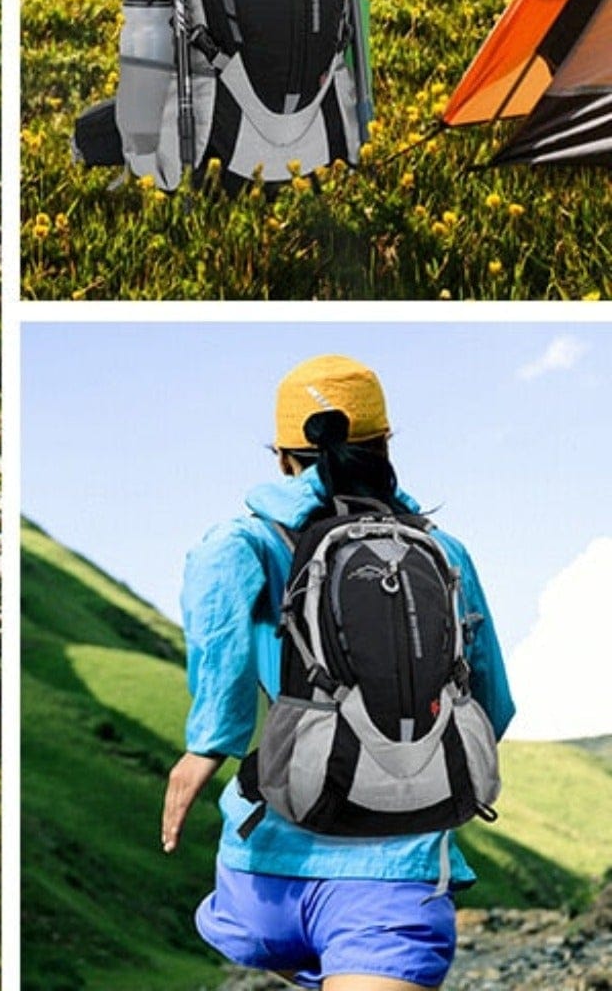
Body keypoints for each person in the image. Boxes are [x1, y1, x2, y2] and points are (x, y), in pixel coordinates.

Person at [161, 354, 513, 991]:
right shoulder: (444, 552)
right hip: (394, 884)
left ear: (283, 456)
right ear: (384, 444)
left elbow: (217, 577)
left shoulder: (253, 539)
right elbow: (493, 705)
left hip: (258, 882)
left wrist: (209, 741)